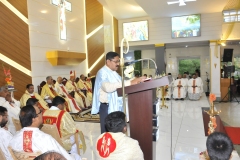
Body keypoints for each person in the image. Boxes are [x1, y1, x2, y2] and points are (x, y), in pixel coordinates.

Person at [91, 51, 144, 133]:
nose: (118, 64)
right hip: (107, 107)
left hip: (116, 105)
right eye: (116, 61)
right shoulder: (102, 72)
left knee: (117, 132)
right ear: (108, 62)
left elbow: (122, 82)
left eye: (118, 61)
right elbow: (107, 87)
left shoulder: (114, 73)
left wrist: (136, 80)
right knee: (107, 133)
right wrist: (130, 82)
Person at [9, 105, 75, 160]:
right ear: (33, 119)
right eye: (40, 112)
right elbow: (65, 157)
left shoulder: (13, 139)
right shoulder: (46, 139)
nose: (42, 114)